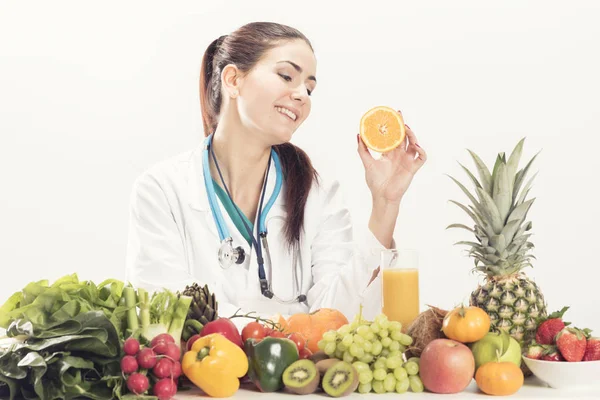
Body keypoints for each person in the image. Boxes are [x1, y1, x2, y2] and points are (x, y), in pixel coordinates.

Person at [125, 22, 426, 327]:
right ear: (232, 79)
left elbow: (337, 317)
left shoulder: (318, 194)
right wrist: (291, 327)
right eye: (286, 76)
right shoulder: (162, 189)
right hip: (204, 374)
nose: (302, 96)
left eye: (308, 88)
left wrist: (385, 203)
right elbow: (164, 308)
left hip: (300, 374)